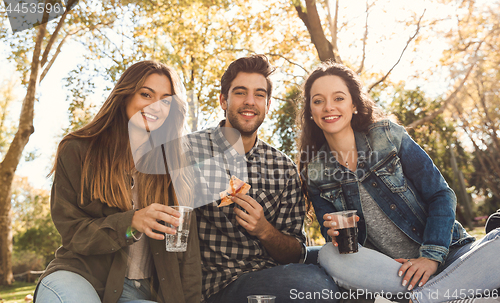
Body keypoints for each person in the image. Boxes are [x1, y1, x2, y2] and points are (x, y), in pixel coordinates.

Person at [298, 61, 500, 303]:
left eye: (338, 98)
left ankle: (423, 299)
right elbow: (333, 236)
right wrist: (333, 233)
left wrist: (430, 257)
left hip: (450, 255)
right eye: (318, 100)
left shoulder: (387, 136)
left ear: (353, 104)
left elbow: (441, 194)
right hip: (394, 273)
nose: (328, 107)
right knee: (329, 254)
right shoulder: (315, 172)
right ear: (311, 111)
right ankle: (455, 295)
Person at [34, 61, 201, 303]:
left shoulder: (176, 168)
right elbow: (73, 233)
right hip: (79, 276)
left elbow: (188, 257)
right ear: (125, 96)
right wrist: (131, 222)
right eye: (146, 94)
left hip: (142, 292)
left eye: (166, 100)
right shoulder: (78, 150)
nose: (156, 106)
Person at [187, 54, 340, 303]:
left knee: (337, 262)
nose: (250, 102)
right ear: (223, 100)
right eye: (240, 93)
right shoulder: (190, 151)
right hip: (218, 285)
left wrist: (264, 230)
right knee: (312, 284)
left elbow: (296, 252)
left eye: (259, 94)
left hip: (274, 273)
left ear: (268, 105)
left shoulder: (283, 168)